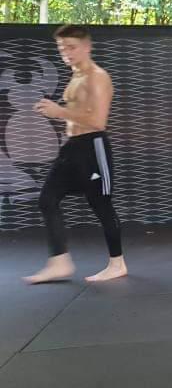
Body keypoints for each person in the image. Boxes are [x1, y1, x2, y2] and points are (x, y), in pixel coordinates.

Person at [26, 24, 127, 284]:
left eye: (71, 47)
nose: (66, 53)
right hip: (72, 147)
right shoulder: (76, 76)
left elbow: (98, 121)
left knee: (101, 204)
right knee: (47, 199)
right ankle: (59, 262)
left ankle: (117, 264)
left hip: (93, 146)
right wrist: (60, 113)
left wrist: (59, 112)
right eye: (62, 48)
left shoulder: (97, 77)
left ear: (87, 47)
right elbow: (79, 113)